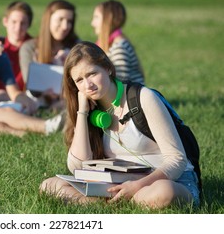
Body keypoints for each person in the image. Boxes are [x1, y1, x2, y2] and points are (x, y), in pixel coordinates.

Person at [40, 41, 200, 208]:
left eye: (92, 74)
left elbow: (177, 160)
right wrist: (82, 112)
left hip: (166, 180)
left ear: (108, 68)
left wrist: (137, 186)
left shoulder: (144, 97)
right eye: (79, 80)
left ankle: (106, 204)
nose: (88, 85)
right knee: (49, 186)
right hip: (118, 184)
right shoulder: (90, 110)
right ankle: (119, 202)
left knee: (165, 192)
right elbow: (77, 167)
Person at [19, 0, 79, 110]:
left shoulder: (77, 47)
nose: (65, 26)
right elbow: (30, 84)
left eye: (69, 21)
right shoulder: (29, 47)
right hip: (38, 101)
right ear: (48, 20)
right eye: (60, 20)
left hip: (70, 100)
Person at [0, 1, 33, 105]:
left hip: (23, 97)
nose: (18, 28)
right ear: (5, 21)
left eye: (23, 23)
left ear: (29, 24)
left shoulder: (34, 48)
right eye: (14, 22)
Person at [91, 0, 145, 84]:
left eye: (96, 17)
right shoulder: (111, 44)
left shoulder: (119, 47)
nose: (92, 23)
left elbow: (120, 83)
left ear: (109, 19)